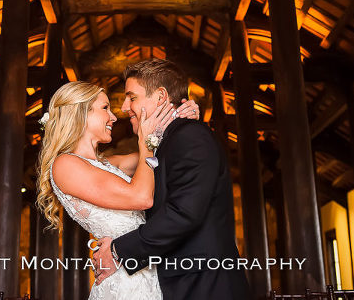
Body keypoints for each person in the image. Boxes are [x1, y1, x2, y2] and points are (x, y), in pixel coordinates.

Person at [92, 59, 250, 300]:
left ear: (161, 96)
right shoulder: (168, 142)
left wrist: (118, 251)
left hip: (204, 285)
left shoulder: (190, 137)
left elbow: (183, 213)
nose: (124, 107)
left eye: (131, 97)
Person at [36, 80, 199, 299]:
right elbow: (141, 197)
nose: (113, 117)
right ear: (80, 113)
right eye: (105, 109)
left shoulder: (108, 164)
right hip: (125, 283)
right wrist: (145, 140)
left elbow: (160, 155)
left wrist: (180, 119)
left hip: (142, 270)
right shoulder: (65, 165)